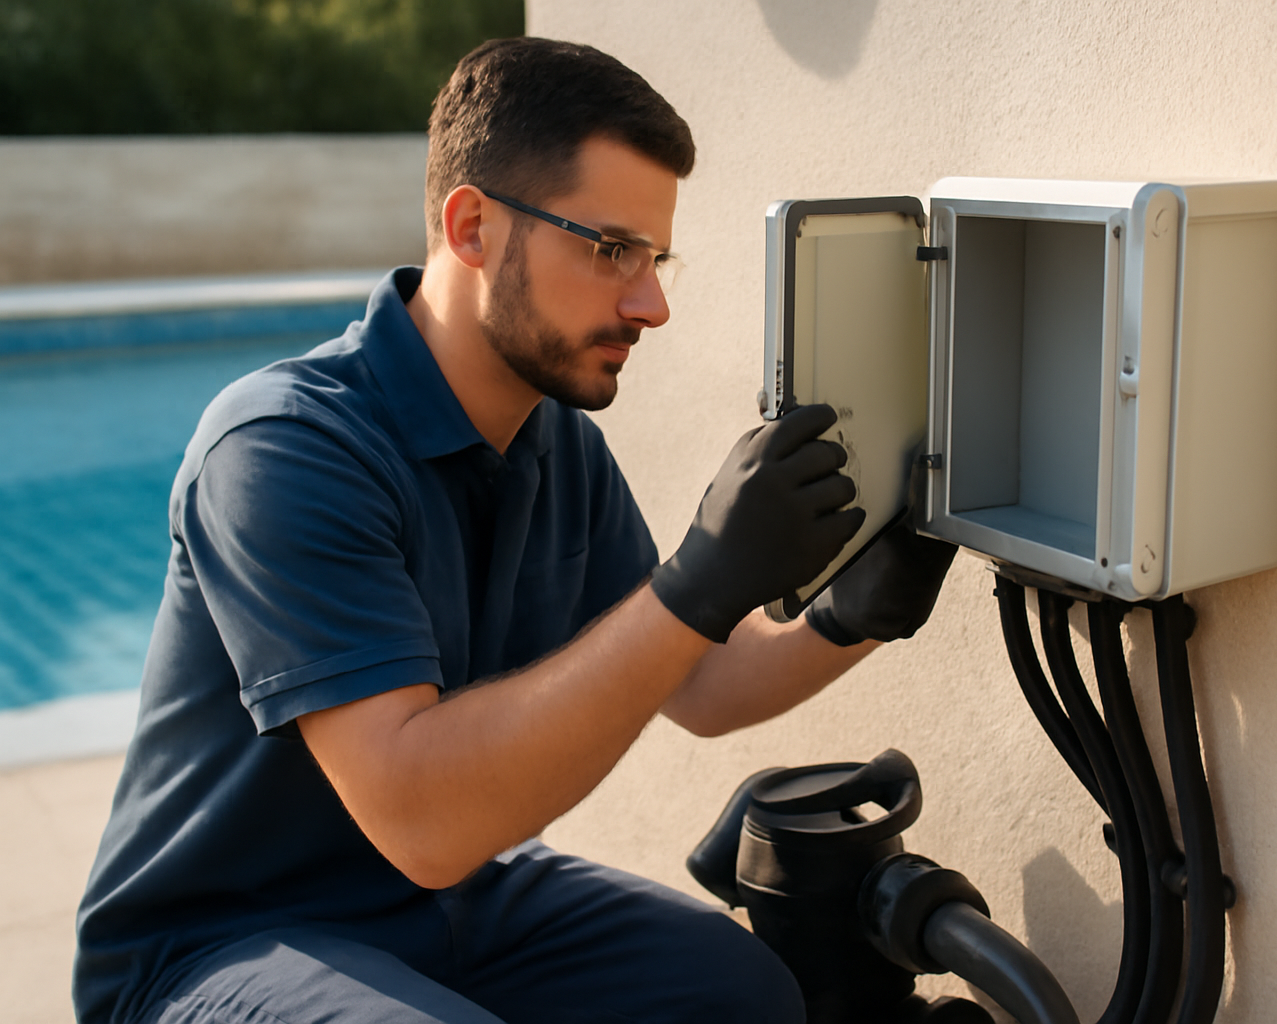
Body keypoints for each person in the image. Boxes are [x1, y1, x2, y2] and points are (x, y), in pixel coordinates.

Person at [74, 37, 955, 1024]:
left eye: (656, 259)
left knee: (744, 990)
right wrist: (701, 579)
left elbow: (697, 682)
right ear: (472, 227)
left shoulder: (552, 441)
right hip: (221, 945)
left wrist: (860, 609)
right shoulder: (282, 451)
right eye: (611, 250)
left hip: (443, 905)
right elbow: (422, 819)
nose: (650, 303)